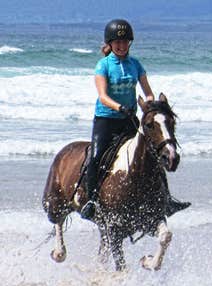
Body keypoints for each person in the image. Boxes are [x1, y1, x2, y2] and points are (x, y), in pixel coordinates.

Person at [80, 19, 190, 220]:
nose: (122, 46)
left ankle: (166, 200)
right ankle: (91, 201)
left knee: (152, 155)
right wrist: (120, 107)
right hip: (107, 120)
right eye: (117, 42)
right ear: (110, 43)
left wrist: (150, 105)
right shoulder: (102, 65)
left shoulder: (135, 64)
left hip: (129, 120)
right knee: (96, 158)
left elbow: (147, 91)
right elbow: (103, 96)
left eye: (125, 42)